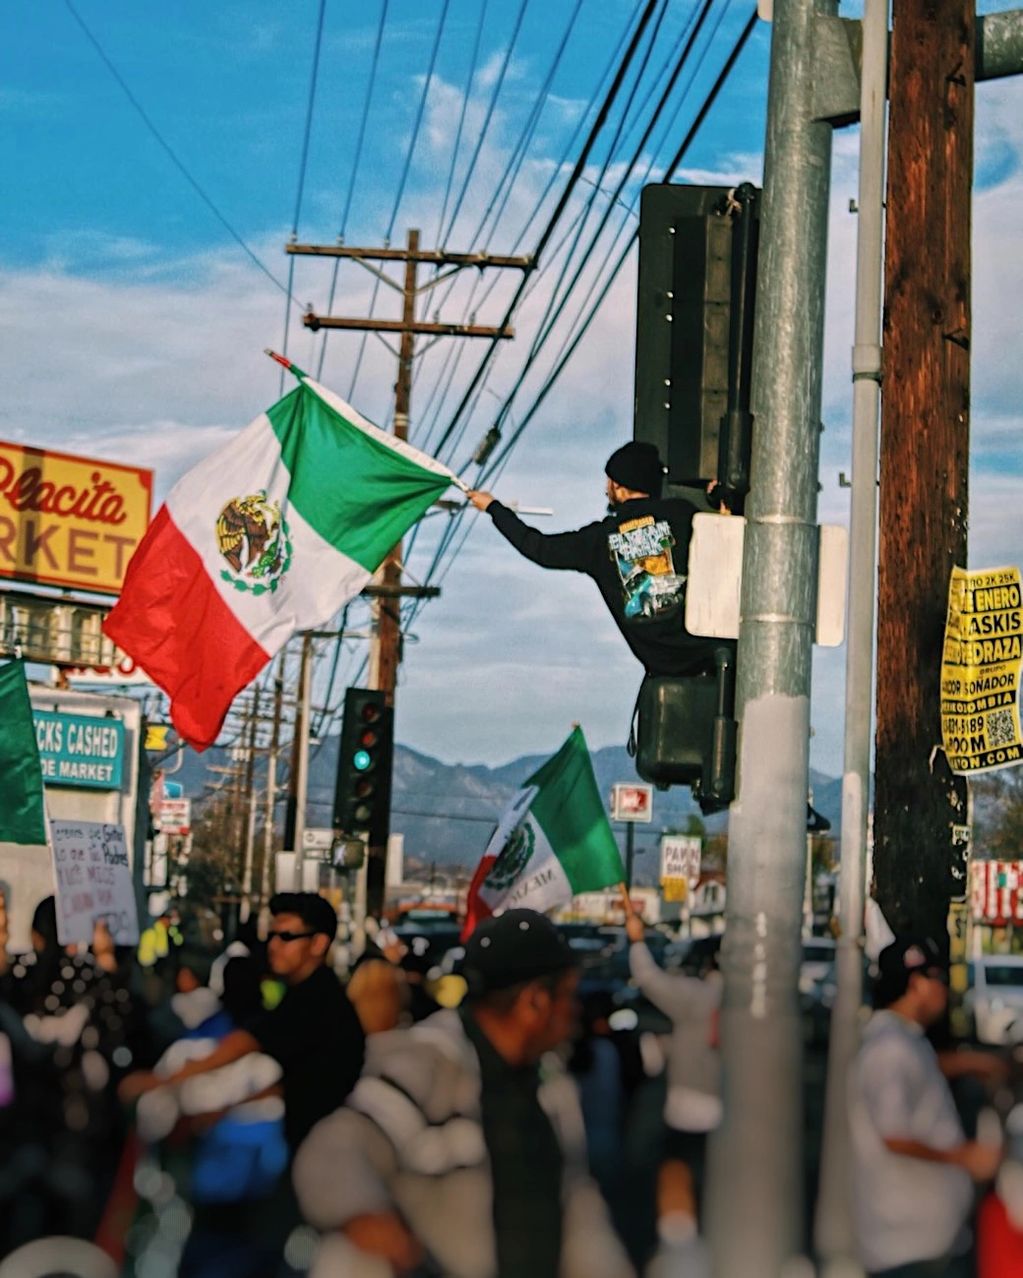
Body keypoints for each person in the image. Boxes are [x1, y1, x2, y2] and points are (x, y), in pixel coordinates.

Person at [293, 908, 635, 1278]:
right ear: (534, 1002)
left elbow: (578, 1207)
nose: (575, 1010)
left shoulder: (552, 1086)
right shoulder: (429, 1065)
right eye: (568, 994)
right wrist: (366, 1216)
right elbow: (339, 1146)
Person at [121, 891, 365, 1156]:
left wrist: (165, 1081)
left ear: (318, 944)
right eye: (271, 936)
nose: (273, 945)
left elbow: (252, 1050)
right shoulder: (303, 992)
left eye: (286, 937)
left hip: (297, 1150)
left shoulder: (318, 1000)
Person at [468, 441, 721, 678]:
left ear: (618, 486)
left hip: (665, 664)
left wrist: (493, 508)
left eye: (608, 482)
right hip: (713, 647)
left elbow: (538, 548)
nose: (605, 488)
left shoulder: (599, 540)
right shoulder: (682, 513)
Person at [850, 935, 1005, 1277]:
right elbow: (893, 1134)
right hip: (907, 1248)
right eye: (940, 979)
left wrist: (971, 1063)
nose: (945, 990)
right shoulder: (890, 1048)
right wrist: (965, 1157)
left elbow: (920, 1069)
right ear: (917, 984)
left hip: (926, 1242)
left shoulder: (901, 1038)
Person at [623, 899, 721, 1225]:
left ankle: (678, 1238)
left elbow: (648, 979)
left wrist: (636, 940)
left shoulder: (696, 996)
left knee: (678, 1175)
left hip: (689, 1106)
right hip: (736, 1111)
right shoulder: (757, 1000)